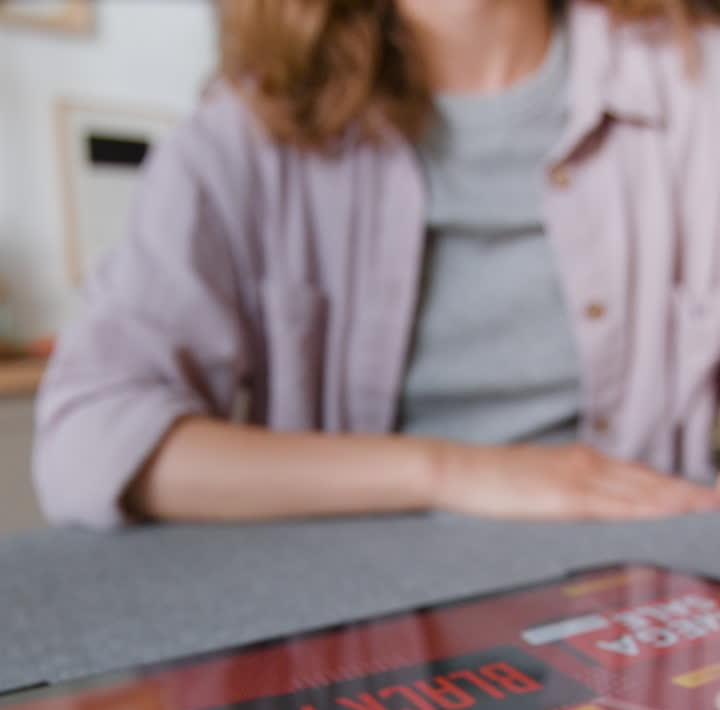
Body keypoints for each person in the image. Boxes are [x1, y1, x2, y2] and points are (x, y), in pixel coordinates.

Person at [33, 0, 720, 528]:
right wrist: (449, 472)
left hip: (643, 609)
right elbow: (87, 440)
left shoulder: (697, 85)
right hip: (360, 634)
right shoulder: (242, 134)